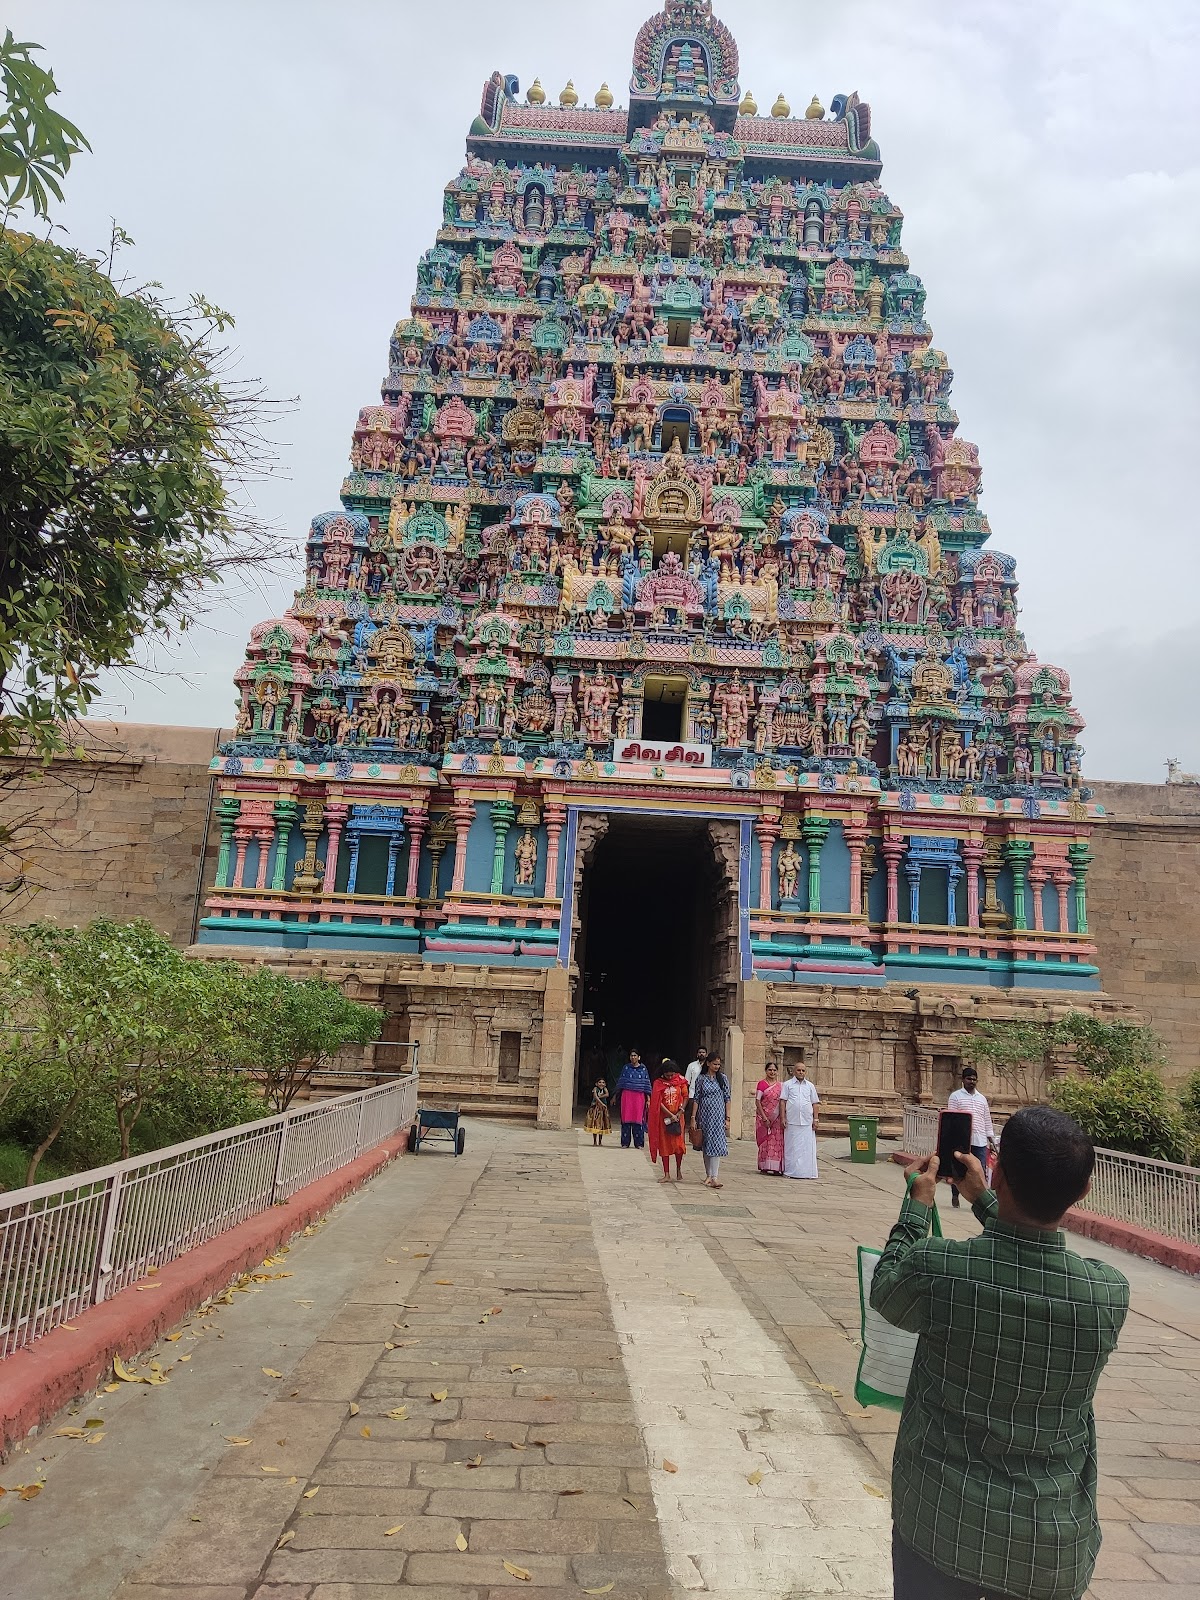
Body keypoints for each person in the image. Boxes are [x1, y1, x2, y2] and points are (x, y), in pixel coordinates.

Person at [871, 1106, 1130, 1600]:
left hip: (940, 1522)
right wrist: (986, 1201)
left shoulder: (940, 1268)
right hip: (1048, 1541)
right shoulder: (1106, 1295)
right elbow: (1033, 1255)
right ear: (1082, 1192)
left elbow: (887, 1291)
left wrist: (916, 1209)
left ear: (1000, 1169)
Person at [946, 1065, 997, 1206]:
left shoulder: (981, 1099)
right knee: (959, 1169)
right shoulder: (955, 1096)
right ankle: (955, 1196)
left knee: (980, 1170)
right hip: (962, 1140)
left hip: (980, 1140)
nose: (972, 1082)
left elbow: (986, 1119)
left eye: (974, 1079)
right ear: (963, 1080)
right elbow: (952, 1118)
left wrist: (991, 1139)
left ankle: (980, 1201)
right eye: (969, 1079)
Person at [693, 1052, 731, 1188]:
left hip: (718, 1117)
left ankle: (715, 1176)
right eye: (714, 1064)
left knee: (716, 1144)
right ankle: (708, 1174)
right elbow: (696, 1098)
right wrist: (693, 1117)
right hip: (704, 1116)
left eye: (718, 1064)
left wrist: (728, 1118)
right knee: (706, 1144)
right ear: (708, 1063)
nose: (716, 1066)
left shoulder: (723, 1079)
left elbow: (727, 1098)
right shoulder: (701, 1079)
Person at [648, 1058, 690, 1182]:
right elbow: (657, 1101)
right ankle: (666, 1173)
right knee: (664, 1145)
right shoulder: (658, 1083)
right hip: (664, 1119)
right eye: (668, 1074)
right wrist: (670, 1114)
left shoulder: (681, 1081)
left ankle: (678, 1169)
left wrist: (680, 1112)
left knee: (678, 1145)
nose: (670, 1077)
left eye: (672, 1074)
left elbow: (686, 1096)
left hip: (678, 1117)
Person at [780, 1060, 820, 1178]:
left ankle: (807, 1172)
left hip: (807, 1121)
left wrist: (816, 1119)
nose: (801, 1072)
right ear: (794, 1071)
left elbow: (815, 1103)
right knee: (791, 1148)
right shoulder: (787, 1085)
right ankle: (791, 1171)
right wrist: (783, 1117)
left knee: (806, 1148)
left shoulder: (810, 1086)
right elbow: (783, 1101)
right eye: (798, 1070)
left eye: (803, 1070)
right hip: (792, 1121)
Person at [613, 1049, 651, 1149]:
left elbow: (646, 1085)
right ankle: (625, 1143)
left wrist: (648, 1099)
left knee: (638, 1120)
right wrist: (615, 1096)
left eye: (635, 1055)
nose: (633, 1057)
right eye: (631, 1055)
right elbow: (621, 1083)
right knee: (626, 1119)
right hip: (627, 1096)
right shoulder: (626, 1068)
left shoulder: (643, 1069)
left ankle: (639, 1143)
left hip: (639, 1097)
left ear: (639, 1057)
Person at [755, 1060, 785, 1174]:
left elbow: (782, 1101)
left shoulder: (781, 1086)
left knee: (776, 1141)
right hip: (763, 1117)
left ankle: (776, 1167)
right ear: (766, 1071)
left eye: (774, 1070)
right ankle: (764, 1165)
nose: (772, 1072)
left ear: (777, 1072)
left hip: (776, 1118)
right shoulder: (762, 1084)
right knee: (765, 1142)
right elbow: (758, 1101)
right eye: (770, 1070)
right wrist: (764, 1117)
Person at [584, 1075, 611, 1146]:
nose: (601, 1084)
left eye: (603, 1082)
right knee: (595, 1124)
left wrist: (600, 1097)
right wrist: (601, 1103)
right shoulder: (595, 1089)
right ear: (596, 1084)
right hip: (595, 1109)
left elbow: (607, 1094)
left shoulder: (604, 1089)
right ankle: (595, 1141)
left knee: (602, 1125)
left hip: (602, 1110)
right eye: (600, 1082)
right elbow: (595, 1097)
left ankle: (600, 1141)